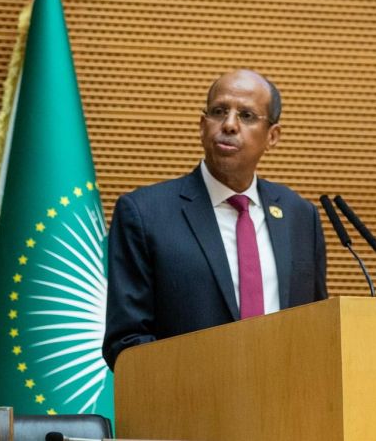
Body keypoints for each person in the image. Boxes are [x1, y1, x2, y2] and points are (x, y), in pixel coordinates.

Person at [103, 69, 328, 369]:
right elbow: (126, 341)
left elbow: (316, 326)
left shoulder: (300, 216)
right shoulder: (145, 214)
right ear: (202, 125)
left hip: (285, 394)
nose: (230, 125)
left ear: (272, 136)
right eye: (219, 112)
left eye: (246, 115)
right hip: (188, 395)